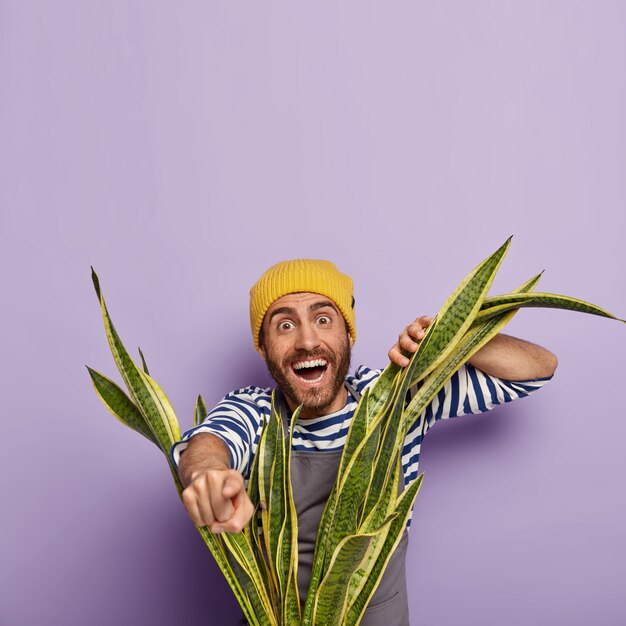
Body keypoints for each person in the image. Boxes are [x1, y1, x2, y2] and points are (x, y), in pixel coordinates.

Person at [170, 259, 557, 625]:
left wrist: (450, 338)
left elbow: (536, 369)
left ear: (348, 333)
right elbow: (209, 443)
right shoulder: (254, 411)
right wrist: (209, 475)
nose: (307, 341)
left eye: (324, 319)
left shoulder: (394, 398)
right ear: (263, 346)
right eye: (284, 326)